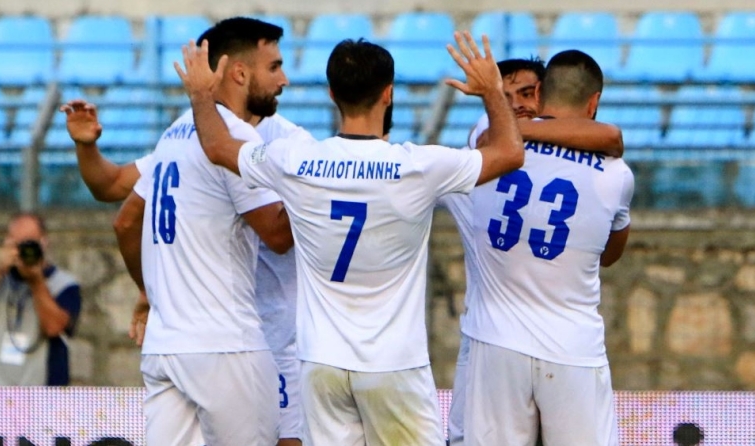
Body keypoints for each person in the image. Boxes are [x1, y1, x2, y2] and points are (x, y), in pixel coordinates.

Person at [175, 32, 523, 445]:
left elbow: (217, 146)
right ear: (388, 94)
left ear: (332, 94)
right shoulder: (418, 166)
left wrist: (201, 95)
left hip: (322, 363)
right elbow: (510, 152)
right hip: (394, 364)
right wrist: (492, 91)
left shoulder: (295, 160)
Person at [62, 17, 310, 446]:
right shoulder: (235, 138)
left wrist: (149, 292)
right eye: (274, 67)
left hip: (166, 348)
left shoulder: (175, 133)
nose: (284, 79)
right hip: (226, 343)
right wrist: (318, 194)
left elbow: (125, 217)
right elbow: (277, 234)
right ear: (239, 73)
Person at [442, 56, 625, 446]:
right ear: (593, 102)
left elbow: (610, 137)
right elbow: (612, 140)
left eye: (525, 94)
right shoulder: (615, 172)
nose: (516, 105)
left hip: (496, 340)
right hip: (568, 345)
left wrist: (510, 121)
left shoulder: (493, 150)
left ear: (542, 93)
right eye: (505, 97)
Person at [0, 212, 81, 386]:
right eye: (16, 244)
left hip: (43, 394)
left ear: (44, 243)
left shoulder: (64, 284)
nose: (22, 251)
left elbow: (54, 327)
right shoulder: (1, 279)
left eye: (29, 243)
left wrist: (36, 280)